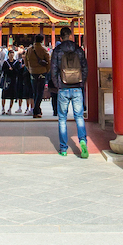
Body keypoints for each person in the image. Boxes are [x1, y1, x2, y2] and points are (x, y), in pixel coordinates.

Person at [48, 25, 89, 157]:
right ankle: (82, 141)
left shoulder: (57, 50)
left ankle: (64, 148)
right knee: (79, 116)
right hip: (77, 87)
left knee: (62, 119)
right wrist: (81, 83)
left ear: (60, 37)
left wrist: (58, 84)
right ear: (71, 36)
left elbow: (53, 70)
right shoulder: (78, 49)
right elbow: (85, 68)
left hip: (63, 88)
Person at [25, 37, 51, 119]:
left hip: (32, 72)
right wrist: (47, 70)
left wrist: (29, 69)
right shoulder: (43, 49)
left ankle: (37, 109)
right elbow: (49, 61)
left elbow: (26, 60)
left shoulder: (29, 49)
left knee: (35, 91)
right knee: (40, 92)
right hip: (42, 72)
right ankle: (36, 110)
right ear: (42, 40)